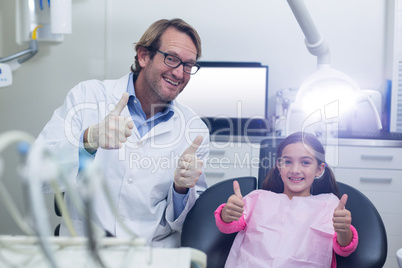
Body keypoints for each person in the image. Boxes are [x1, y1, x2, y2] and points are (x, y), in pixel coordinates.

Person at [33, 18, 210, 247]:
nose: (180, 73)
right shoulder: (87, 97)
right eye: (172, 59)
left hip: (150, 254)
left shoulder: (195, 131)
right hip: (84, 251)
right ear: (144, 56)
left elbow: (189, 223)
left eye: (188, 65)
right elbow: (36, 172)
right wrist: (88, 141)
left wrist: (181, 189)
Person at [214, 132, 358, 267]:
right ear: (279, 166)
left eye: (305, 162)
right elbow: (228, 225)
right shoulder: (258, 198)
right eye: (287, 162)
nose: (295, 169)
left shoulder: (329, 205)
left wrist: (343, 230)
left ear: (319, 169)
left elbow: (344, 248)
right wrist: (227, 214)